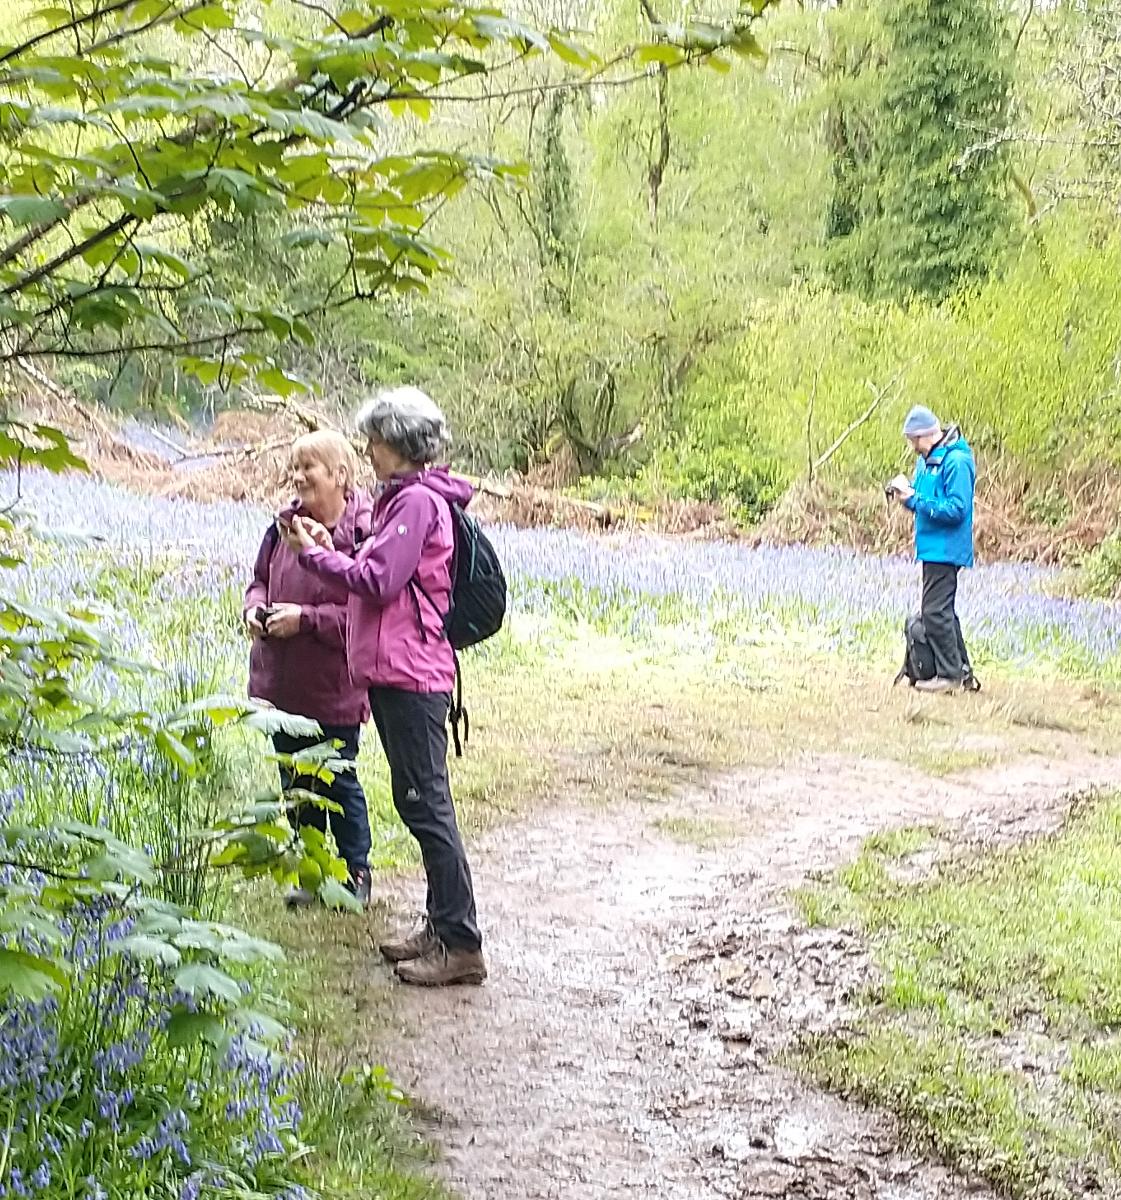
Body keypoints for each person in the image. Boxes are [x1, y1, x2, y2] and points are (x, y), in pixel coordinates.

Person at [278, 386, 486, 988]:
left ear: (398, 444)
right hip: (397, 670)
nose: (367, 449)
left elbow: (377, 580)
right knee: (418, 803)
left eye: (374, 439)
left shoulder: (416, 503)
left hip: (412, 675)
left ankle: (461, 941)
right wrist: (323, 548)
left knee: (428, 806)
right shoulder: (404, 502)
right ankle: (441, 926)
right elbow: (376, 568)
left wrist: (314, 558)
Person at [243, 430, 375, 907]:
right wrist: (254, 611)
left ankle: (355, 873)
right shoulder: (281, 528)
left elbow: (363, 614)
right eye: (294, 467)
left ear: (340, 475)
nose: (298, 477)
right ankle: (312, 875)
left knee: (336, 779)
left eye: (309, 467)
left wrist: (305, 620)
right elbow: (259, 580)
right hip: (282, 683)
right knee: (295, 782)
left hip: (334, 687)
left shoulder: (362, 536)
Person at [887, 405, 978, 694]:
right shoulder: (928, 461)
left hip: (947, 549)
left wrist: (915, 500)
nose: (913, 447)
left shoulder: (957, 461)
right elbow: (924, 496)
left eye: (914, 440)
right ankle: (962, 672)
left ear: (928, 434)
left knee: (934, 612)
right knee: (942, 611)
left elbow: (957, 508)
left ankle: (949, 676)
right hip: (931, 547)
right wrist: (905, 493)